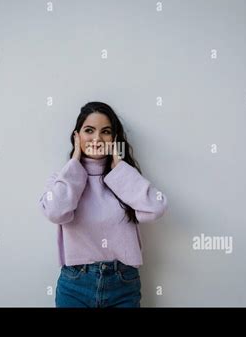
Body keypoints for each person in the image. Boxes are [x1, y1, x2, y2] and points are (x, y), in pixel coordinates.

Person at [39, 101, 168, 307]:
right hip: (75, 285)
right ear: (77, 136)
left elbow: (156, 207)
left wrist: (119, 168)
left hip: (123, 284)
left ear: (114, 139)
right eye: (89, 130)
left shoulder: (125, 179)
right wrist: (74, 164)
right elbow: (55, 212)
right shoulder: (61, 180)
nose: (97, 138)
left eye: (106, 132)